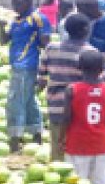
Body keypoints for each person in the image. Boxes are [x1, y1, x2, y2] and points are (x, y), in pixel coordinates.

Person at [38, 13, 98, 161]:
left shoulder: (51, 48)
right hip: (80, 109)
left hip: (57, 105)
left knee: (57, 145)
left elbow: (41, 76)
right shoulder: (90, 52)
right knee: (77, 150)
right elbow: (98, 81)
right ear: (85, 30)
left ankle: (57, 175)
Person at [0, 0, 51, 152]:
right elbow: (4, 41)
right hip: (17, 65)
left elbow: (46, 44)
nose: (15, 7)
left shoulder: (38, 18)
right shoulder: (16, 20)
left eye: (18, 4)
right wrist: (1, 27)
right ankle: (36, 133)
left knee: (15, 101)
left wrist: (44, 72)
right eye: (14, 4)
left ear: (28, 3)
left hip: (27, 65)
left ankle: (15, 137)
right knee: (28, 101)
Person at [64, 50, 105, 184]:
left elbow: (66, 118)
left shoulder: (72, 89)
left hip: (77, 143)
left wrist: (61, 138)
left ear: (79, 67)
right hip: (100, 142)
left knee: (77, 180)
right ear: (102, 69)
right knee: (100, 179)